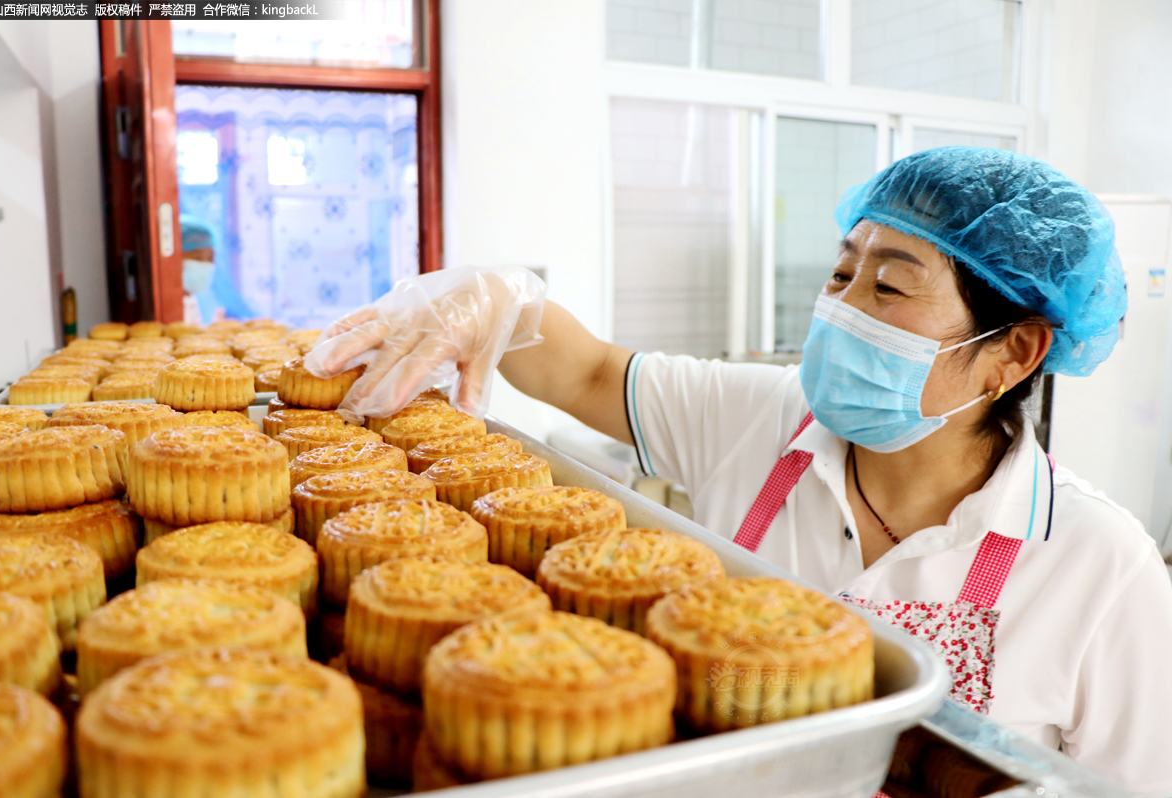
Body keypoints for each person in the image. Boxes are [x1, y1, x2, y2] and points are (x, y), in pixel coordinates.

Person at [305, 148, 1172, 794]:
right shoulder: (761, 417)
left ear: (1011, 355)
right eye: (842, 272)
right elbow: (588, 370)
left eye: (889, 289)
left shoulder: (1099, 563)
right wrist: (495, 296)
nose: (840, 308)